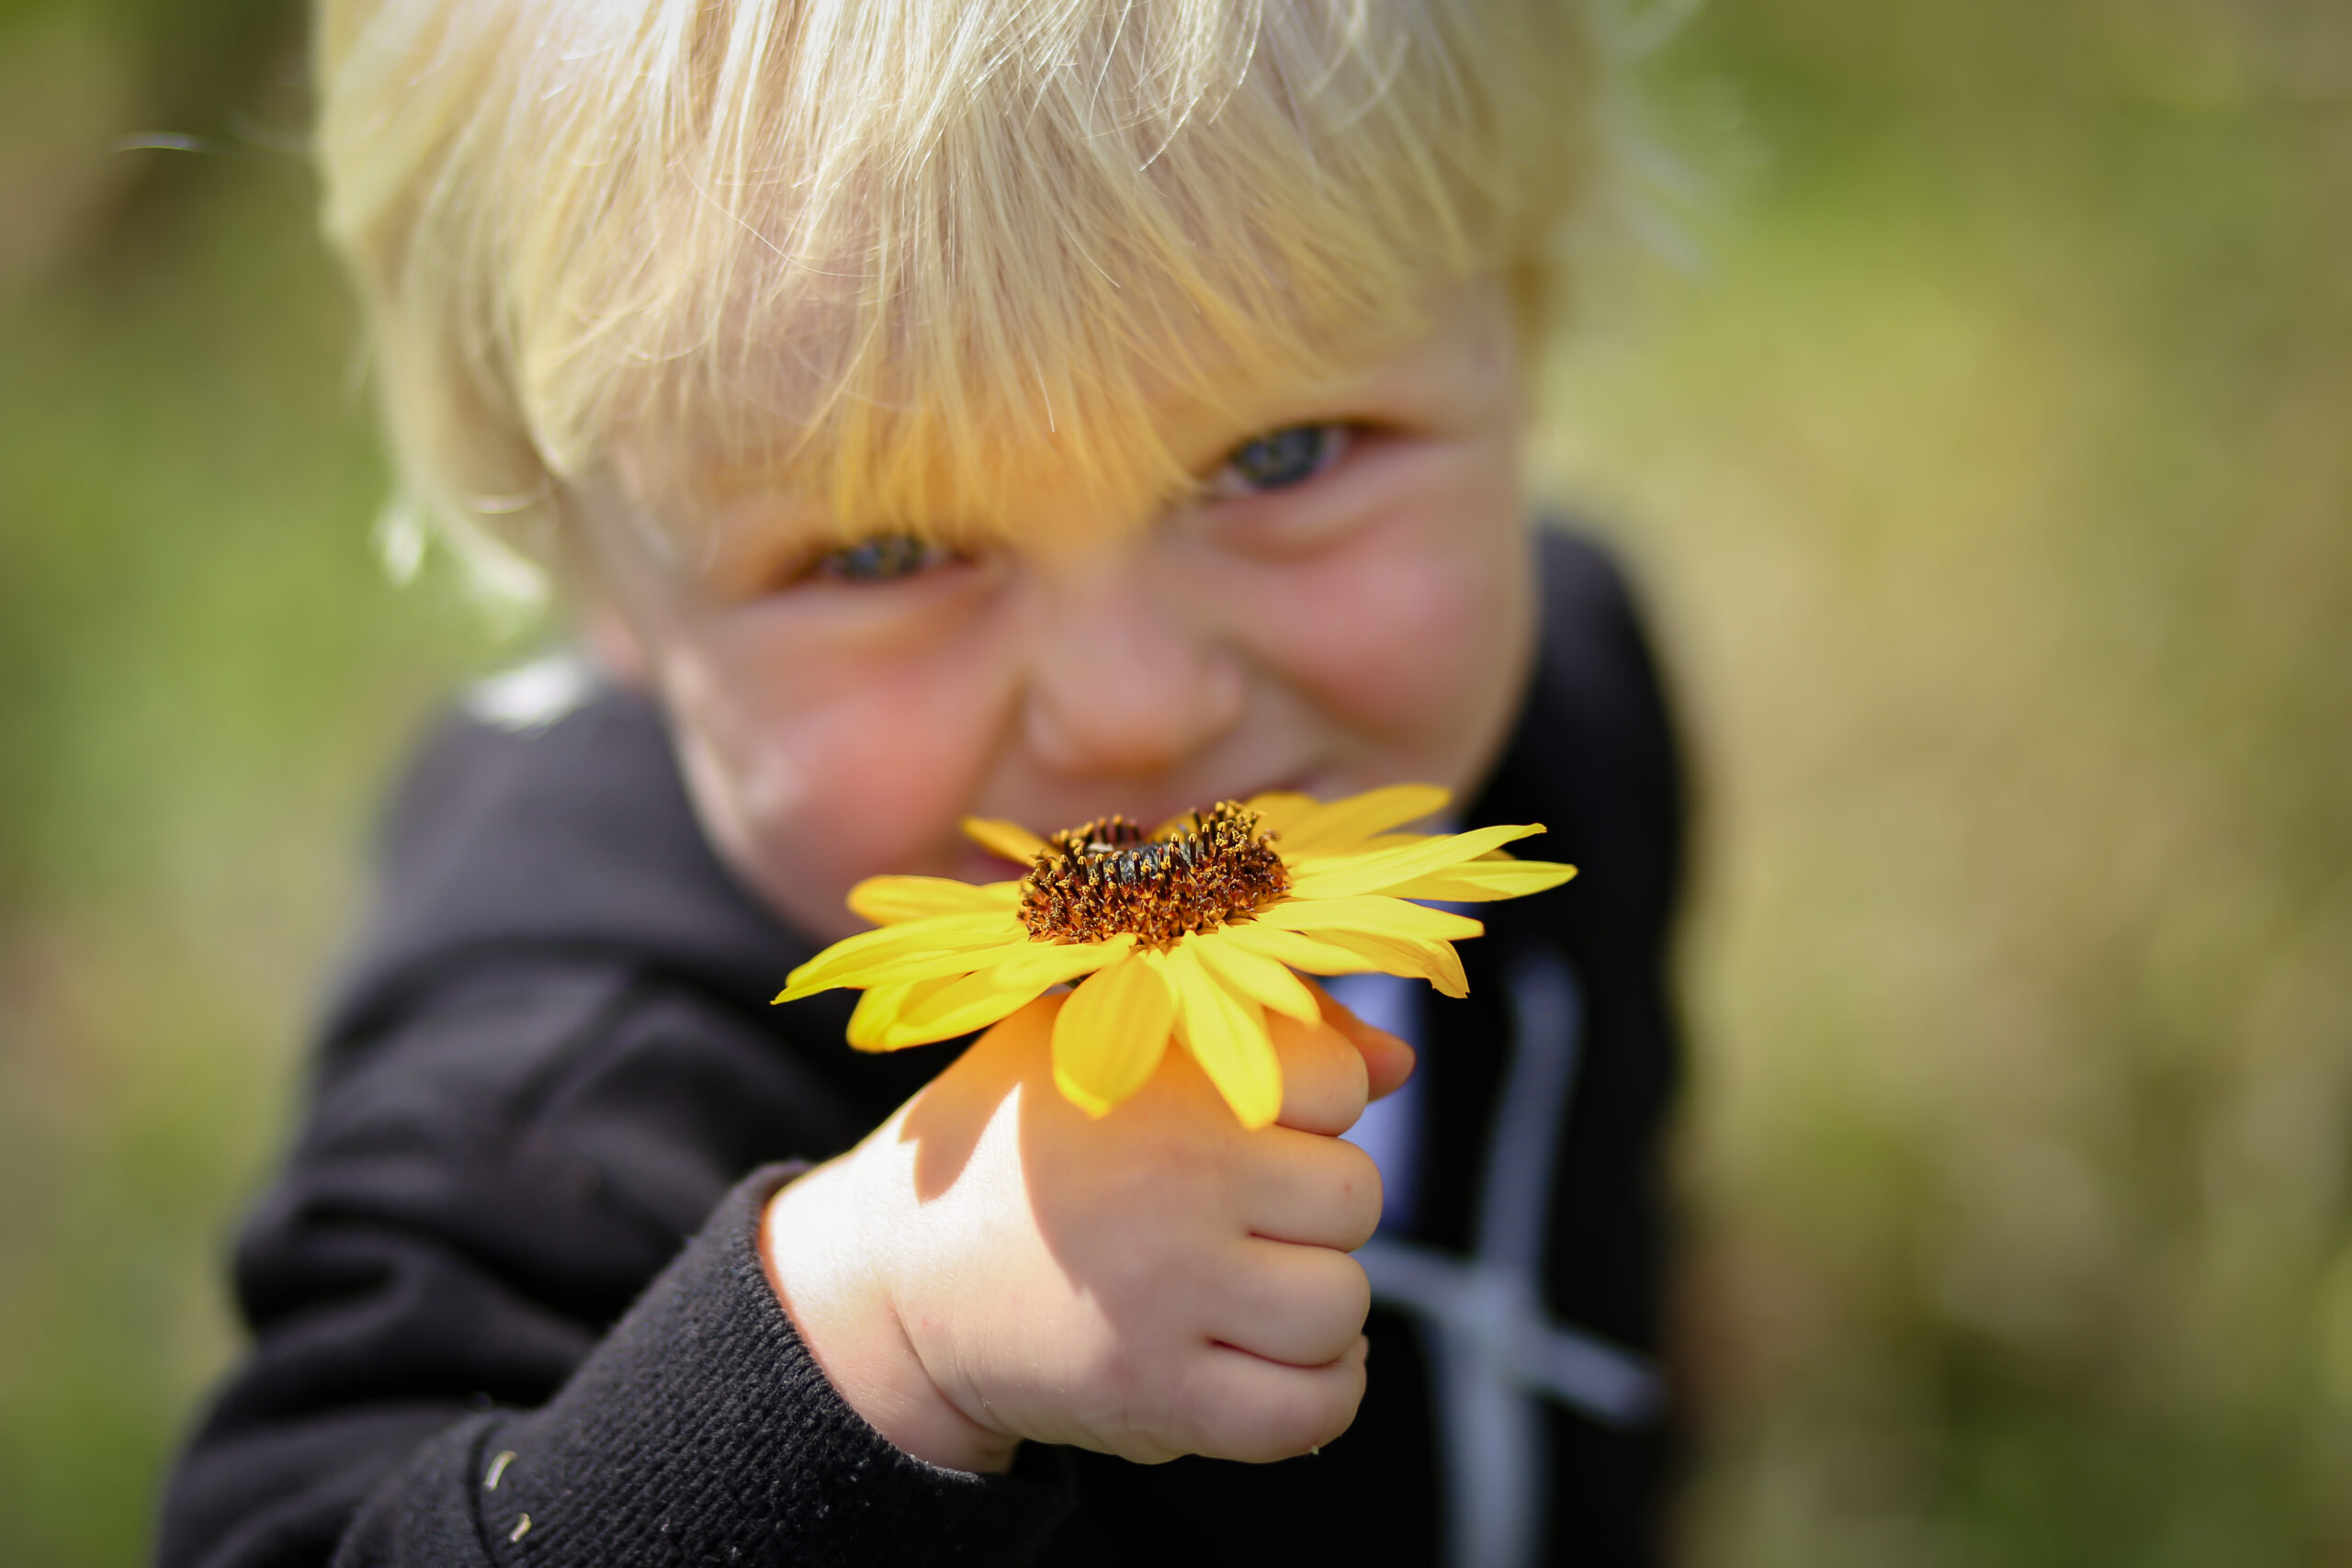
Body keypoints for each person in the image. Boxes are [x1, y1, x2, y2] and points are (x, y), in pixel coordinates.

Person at [158, 0, 1686, 1562]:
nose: (1135, 712)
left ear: (1528, 326)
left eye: (1285, 454)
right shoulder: (552, 1098)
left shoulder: (1566, 714)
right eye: (886, 553)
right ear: (592, 573)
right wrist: (859, 1354)